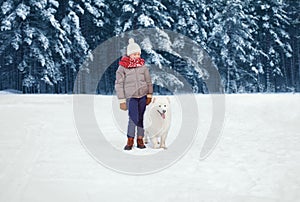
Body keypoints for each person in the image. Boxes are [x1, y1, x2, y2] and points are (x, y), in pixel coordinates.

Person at [115, 38, 153, 150]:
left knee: (140, 117)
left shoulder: (143, 66)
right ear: (129, 54)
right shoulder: (122, 67)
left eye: (138, 54)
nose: (136, 56)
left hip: (142, 96)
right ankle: (130, 139)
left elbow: (148, 81)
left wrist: (149, 95)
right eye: (134, 54)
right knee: (133, 118)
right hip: (130, 97)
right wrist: (121, 100)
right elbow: (118, 84)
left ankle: (140, 139)